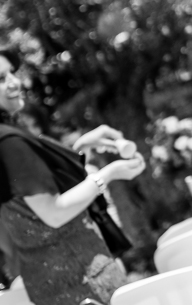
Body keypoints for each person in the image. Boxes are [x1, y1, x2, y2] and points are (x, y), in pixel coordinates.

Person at [0, 47, 146, 305]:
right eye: (1, 79)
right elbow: (54, 212)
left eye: (11, 73)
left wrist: (81, 146)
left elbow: (30, 187)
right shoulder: (9, 141)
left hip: (51, 282)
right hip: (80, 278)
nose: (15, 82)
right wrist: (107, 175)